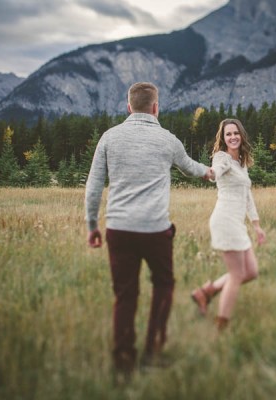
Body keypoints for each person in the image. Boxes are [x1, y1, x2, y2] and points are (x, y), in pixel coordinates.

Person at [85, 82, 213, 374]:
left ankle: (123, 359)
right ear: (156, 107)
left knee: (125, 294)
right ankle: (153, 351)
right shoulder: (168, 140)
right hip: (156, 231)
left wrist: (92, 225)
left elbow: (93, 187)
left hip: (119, 229)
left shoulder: (109, 137)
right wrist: (210, 171)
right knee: (164, 285)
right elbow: (190, 167)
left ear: (129, 107)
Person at [191, 118, 266, 330]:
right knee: (236, 275)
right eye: (228, 134)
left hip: (237, 223)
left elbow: (247, 195)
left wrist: (256, 225)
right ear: (223, 139)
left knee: (251, 272)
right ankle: (220, 328)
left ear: (241, 136)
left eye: (235, 133)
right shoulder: (222, 157)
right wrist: (210, 173)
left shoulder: (241, 163)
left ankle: (205, 292)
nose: (232, 137)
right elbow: (217, 170)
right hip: (225, 221)